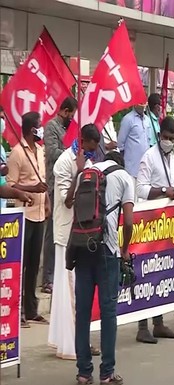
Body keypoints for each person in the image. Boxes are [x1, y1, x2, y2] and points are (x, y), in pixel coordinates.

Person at [66, 150, 133, 385]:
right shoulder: (125, 177)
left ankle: (83, 372)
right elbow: (128, 221)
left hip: (82, 246)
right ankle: (107, 372)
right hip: (107, 249)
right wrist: (124, 250)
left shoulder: (86, 173)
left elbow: (69, 203)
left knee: (83, 311)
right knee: (108, 311)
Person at [49, 125, 101, 360]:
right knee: (70, 291)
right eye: (90, 147)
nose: (93, 152)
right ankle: (73, 345)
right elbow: (67, 201)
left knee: (77, 290)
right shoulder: (63, 162)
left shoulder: (88, 162)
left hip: (82, 233)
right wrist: (79, 173)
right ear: (82, 141)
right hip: (66, 234)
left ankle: (75, 340)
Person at [135, 116, 174, 343]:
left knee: (162, 273)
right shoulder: (149, 158)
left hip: (167, 223)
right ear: (159, 136)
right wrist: (165, 190)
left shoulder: (172, 159)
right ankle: (142, 326)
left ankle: (158, 322)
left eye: (172, 139)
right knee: (147, 273)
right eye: (165, 138)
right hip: (149, 221)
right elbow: (141, 189)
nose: (168, 142)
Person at [6, 112, 51, 327]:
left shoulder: (40, 151)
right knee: (22, 265)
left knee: (34, 264)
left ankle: (32, 309)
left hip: (40, 213)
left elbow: (42, 181)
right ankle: (20, 311)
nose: (41, 128)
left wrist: (47, 200)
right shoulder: (17, 153)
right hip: (24, 214)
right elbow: (11, 185)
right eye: (39, 126)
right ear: (32, 129)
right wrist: (31, 189)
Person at [41, 96, 78, 294]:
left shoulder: (71, 128)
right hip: (55, 185)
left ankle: (62, 273)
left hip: (71, 184)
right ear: (64, 111)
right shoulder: (51, 127)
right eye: (70, 114)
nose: (71, 118)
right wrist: (71, 150)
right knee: (52, 233)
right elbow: (53, 152)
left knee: (66, 231)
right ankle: (47, 277)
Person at [117, 100, 152, 181]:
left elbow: (149, 141)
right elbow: (120, 143)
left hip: (144, 167)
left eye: (143, 102)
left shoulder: (147, 120)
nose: (142, 104)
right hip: (131, 168)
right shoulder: (127, 119)